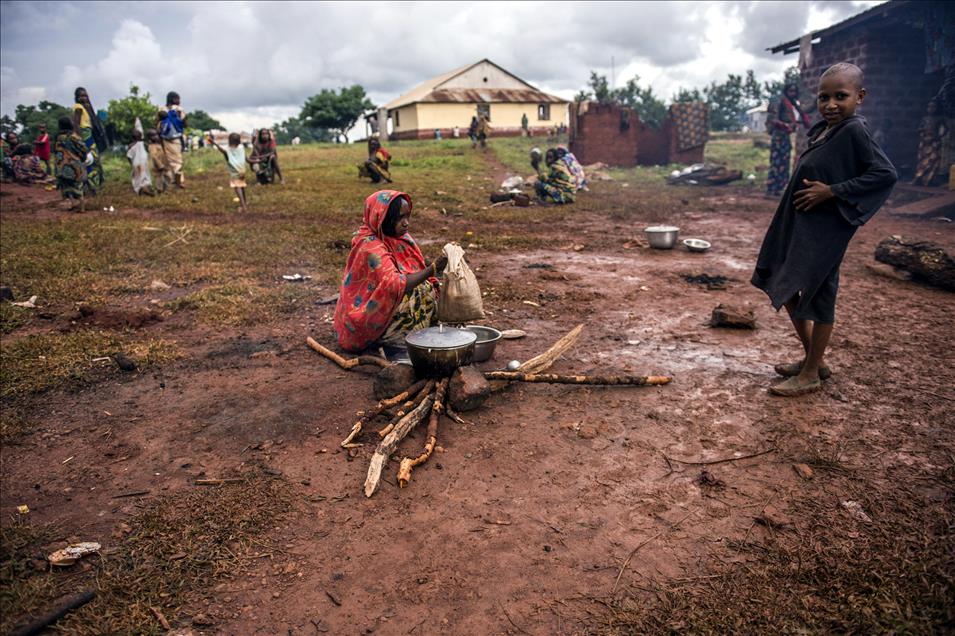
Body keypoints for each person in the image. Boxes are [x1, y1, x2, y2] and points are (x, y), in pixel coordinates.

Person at [751, 63, 897, 397]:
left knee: (820, 293)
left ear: (859, 97)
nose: (831, 104)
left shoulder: (854, 131)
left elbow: (885, 174)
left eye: (840, 97)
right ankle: (812, 361)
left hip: (826, 230)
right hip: (802, 225)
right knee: (780, 280)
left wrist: (831, 191)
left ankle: (811, 374)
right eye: (823, 97)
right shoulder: (824, 129)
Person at [333, 190, 448, 352]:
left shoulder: (401, 238)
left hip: (380, 308)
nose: (406, 223)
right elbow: (395, 285)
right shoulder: (369, 245)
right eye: (399, 218)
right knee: (414, 292)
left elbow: (414, 268)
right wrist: (434, 269)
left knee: (424, 288)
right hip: (363, 320)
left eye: (407, 216)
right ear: (381, 217)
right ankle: (393, 340)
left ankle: (412, 335)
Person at [765, 83, 812, 197]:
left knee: (784, 162)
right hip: (778, 136)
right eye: (791, 91)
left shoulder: (792, 104)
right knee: (777, 162)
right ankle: (772, 189)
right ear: (786, 91)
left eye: (795, 91)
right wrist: (786, 125)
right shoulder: (779, 101)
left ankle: (779, 188)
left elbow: (803, 112)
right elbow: (773, 119)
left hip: (785, 136)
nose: (793, 93)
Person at [72, 87, 106, 190]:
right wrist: (81, 140)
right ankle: (91, 186)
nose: (84, 98)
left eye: (86, 96)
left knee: (93, 160)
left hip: (89, 135)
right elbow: (76, 124)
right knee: (90, 161)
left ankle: (94, 184)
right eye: (81, 96)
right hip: (85, 136)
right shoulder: (78, 107)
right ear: (77, 98)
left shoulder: (86, 108)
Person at [53, 116, 89, 211]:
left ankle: (72, 204)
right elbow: (84, 149)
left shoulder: (58, 137)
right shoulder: (73, 136)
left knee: (66, 186)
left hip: (61, 165)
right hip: (73, 165)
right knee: (77, 186)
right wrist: (83, 158)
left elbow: (57, 151)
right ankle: (82, 207)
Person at [209, 132, 249, 212]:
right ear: (239, 141)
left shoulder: (228, 149)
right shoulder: (241, 147)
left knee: (237, 187)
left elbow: (221, 150)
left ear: (229, 140)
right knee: (242, 186)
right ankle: (245, 202)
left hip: (234, 171)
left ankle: (243, 206)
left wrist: (213, 142)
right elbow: (246, 158)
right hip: (242, 170)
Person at [912, 100, 948, 186]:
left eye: (933, 107)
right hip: (924, 142)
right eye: (929, 107)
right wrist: (923, 133)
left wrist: (938, 137)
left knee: (933, 160)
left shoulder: (940, 119)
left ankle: (928, 180)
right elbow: (919, 128)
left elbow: (945, 129)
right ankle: (919, 177)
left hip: (934, 142)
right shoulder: (925, 119)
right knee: (922, 160)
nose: (931, 109)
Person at [156, 91, 187, 188]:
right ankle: (179, 181)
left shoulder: (161, 109)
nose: (179, 101)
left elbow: (156, 123)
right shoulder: (179, 109)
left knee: (168, 161)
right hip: (176, 138)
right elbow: (185, 124)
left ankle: (171, 180)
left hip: (165, 139)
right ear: (173, 99)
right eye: (178, 99)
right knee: (178, 161)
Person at [126, 129, 154, 196]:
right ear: (141, 136)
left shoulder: (130, 145)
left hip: (135, 162)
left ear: (132, 137)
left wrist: (131, 163)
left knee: (136, 176)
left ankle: (139, 189)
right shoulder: (145, 144)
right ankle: (146, 187)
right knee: (145, 175)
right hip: (144, 162)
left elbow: (128, 156)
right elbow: (149, 152)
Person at [146, 128, 170, 193]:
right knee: (158, 177)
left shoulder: (159, 144)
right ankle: (159, 190)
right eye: (153, 135)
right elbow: (154, 156)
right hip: (157, 165)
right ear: (149, 138)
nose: (156, 136)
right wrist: (160, 165)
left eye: (156, 134)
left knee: (166, 176)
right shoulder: (152, 146)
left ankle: (164, 189)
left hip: (163, 163)